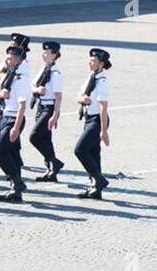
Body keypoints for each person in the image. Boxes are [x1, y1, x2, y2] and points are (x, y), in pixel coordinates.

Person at [0, 44, 29, 203]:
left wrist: (16, 128)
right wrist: (0, 94)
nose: (7, 59)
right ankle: (15, 192)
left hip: (13, 119)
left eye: (11, 58)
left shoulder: (22, 79)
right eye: (7, 56)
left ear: (18, 61)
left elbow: (22, 105)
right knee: (12, 153)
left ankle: (17, 183)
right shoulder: (6, 76)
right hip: (3, 117)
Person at [73, 48, 112, 200]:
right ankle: (96, 188)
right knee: (94, 153)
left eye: (93, 61)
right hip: (88, 118)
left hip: (97, 120)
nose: (90, 62)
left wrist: (104, 131)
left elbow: (103, 108)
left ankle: (100, 180)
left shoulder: (102, 82)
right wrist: (82, 99)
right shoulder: (91, 77)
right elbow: (80, 96)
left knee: (80, 150)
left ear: (101, 64)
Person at [29, 41, 65, 182]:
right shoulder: (44, 68)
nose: (43, 55)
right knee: (45, 139)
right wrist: (36, 90)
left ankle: (54, 162)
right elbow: (33, 84)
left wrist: (55, 115)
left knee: (35, 137)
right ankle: (51, 170)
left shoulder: (55, 73)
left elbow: (58, 97)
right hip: (41, 106)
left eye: (46, 53)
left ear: (54, 55)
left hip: (49, 108)